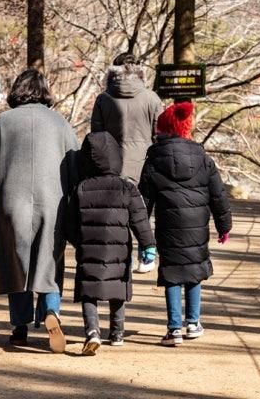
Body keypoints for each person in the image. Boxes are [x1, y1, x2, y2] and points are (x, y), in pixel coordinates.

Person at [0, 69, 79, 353]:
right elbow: (75, 165)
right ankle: (51, 310)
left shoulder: (4, 122)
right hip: (53, 202)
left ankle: (19, 327)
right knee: (50, 259)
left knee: (15, 261)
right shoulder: (59, 123)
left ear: (18, 90)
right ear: (44, 91)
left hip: (11, 202)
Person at [139, 101, 232, 347]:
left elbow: (144, 199)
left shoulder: (154, 159)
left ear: (162, 128)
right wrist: (224, 226)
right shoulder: (202, 157)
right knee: (194, 270)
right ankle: (193, 323)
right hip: (197, 223)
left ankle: (173, 329)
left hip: (168, 225)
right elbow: (218, 195)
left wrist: (142, 233)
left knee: (171, 273)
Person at [65, 132, 156, 356]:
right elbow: (140, 221)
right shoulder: (127, 188)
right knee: (118, 287)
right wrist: (148, 246)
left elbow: (69, 223)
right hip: (119, 248)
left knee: (88, 291)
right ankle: (117, 332)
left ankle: (92, 332)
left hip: (88, 248)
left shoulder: (81, 188)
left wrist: (80, 242)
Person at [91, 52, 162, 274]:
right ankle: (147, 256)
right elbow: (160, 133)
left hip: (112, 166)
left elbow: (97, 136)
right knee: (143, 211)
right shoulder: (151, 98)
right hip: (144, 164)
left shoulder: (104, 99)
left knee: (117, 214)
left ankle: (122, 258)